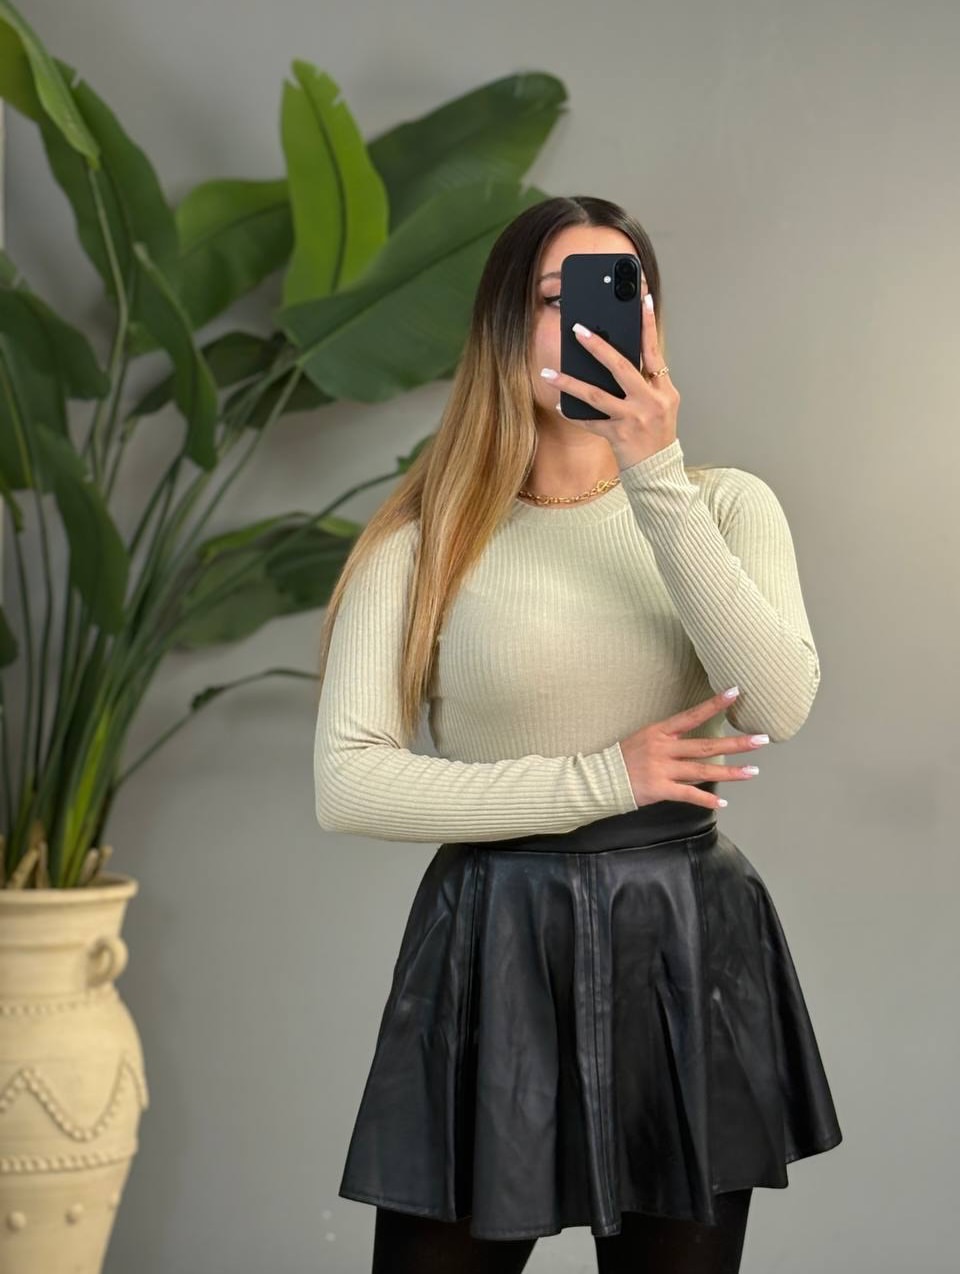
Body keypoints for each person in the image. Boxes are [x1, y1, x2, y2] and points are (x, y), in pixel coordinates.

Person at [313, 195, 843, 1273]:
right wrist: (605, 777)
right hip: (492, 939)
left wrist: (654, 473)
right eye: (559, 297)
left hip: (681, 938)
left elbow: (776, 702)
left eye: (621, 294)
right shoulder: (424, 539)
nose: (592, 322)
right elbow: (349, 782)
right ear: (506, 326)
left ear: (653, 323)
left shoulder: (724, 505)